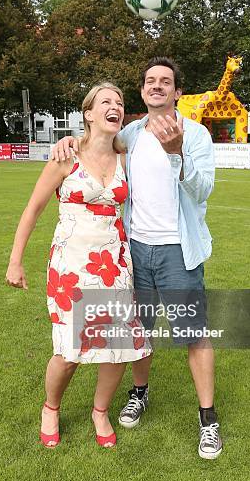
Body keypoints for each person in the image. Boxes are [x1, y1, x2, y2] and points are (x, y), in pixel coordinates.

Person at [52, 57, 223, 459]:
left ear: (178, 92)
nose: (157, 86)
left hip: (178, 253)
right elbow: (92, 144)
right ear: (143, 91)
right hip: (132, 253)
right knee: (137, 333)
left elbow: (202, 192)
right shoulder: (128, 133)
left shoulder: (196, 135)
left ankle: (208, 420)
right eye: (150, 81)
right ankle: (139, 393)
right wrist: (68, 141)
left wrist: (177, 152)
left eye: (166, 82)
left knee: (193, 335)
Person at [6, 82, 151, 449]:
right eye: (106, 101)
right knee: (69, 352)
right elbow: (33, 208)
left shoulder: (125, 157)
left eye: (119, 102)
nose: (115, 106)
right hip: (70, 267)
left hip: (115, 264)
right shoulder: (66, 156)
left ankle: (99, 411)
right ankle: (51, 407)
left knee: (118, 345)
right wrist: (15, 261)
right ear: (88, 113)